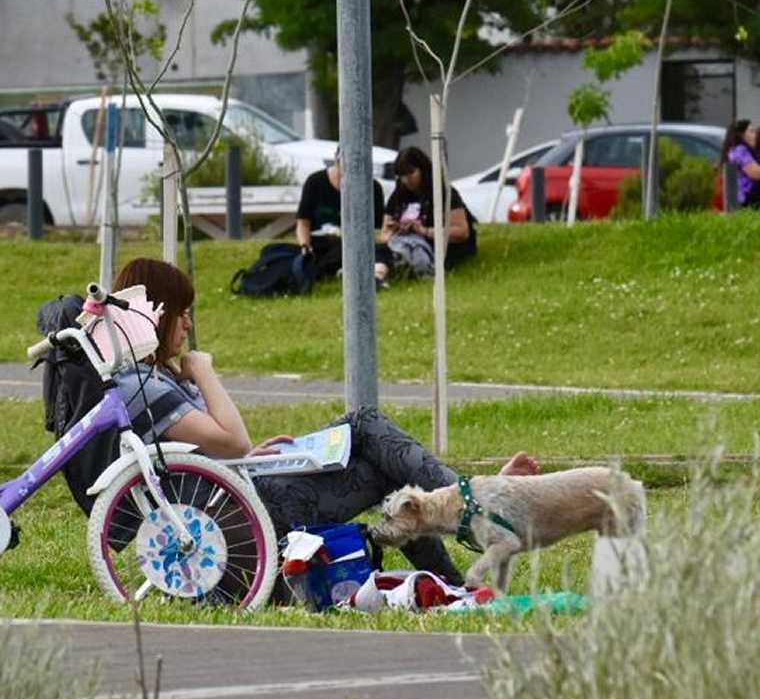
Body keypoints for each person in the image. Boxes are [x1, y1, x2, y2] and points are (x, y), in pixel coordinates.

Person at [107, 258, 538, 585]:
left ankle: (454, 575)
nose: (188, 323)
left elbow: (223, 451)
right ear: (157, 315)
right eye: (182, 312)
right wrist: (203, 371)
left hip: (239, 492)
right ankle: (472, 503)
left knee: (380, 459)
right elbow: (233, 441)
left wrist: (252, 457)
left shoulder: (153, 378)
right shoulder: (140, 384)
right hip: (234, 518)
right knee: (367, 428)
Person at [375, 146, 475, 284]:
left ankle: (378, 275)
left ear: (423, 170)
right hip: (402, 244)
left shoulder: (443, 193)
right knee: (380, 249)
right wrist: (394, 231)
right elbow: (384, 234)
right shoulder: (398, 195)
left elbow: (462, 232)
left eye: (410, 173)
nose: (406, 180)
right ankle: (378, 277)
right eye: (401, 175)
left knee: (394, 252)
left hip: (438, 247)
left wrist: (424, 231)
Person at [293, 159, 385, 283]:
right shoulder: (315, 182)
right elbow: (303, 223)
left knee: (379, 251)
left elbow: (378, 230)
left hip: (357, 245)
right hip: (321, 245)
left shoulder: (373, 188)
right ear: (336, 160)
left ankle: (371, 274)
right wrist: (305, 247)